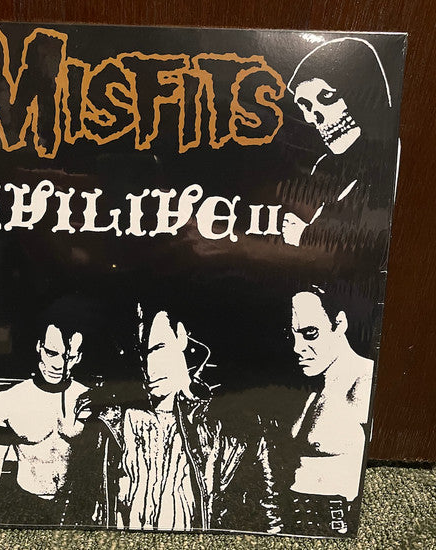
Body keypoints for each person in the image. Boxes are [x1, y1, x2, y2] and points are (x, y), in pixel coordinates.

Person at [67, 303, 281, 533]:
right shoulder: (113, 422)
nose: (149, 367)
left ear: (181, 336)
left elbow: (265, 520)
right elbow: (78, 511)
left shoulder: (229, 428)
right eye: (142, 354)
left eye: (158, 348)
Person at [281, 37, 396, 260]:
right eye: (305, 106)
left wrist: (305, 236)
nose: (315, 117)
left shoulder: (390, 161)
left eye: (327, 97)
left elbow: (369, 241)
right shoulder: (324, 167)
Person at [0, 315, 90, 526]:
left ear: (79, 357)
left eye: (69, 357)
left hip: (75, 509)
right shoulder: (10, 400)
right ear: (39, 347)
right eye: (51, 353)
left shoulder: (87, 400)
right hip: (25, 505)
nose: (58, 365)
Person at [287, 285, 373, 535]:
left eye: (310, 333)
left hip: (334, 522)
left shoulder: (364, 380)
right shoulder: (314, 390)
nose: (297, 347)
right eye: (293, 335)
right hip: (294, 518)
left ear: (339, 324)